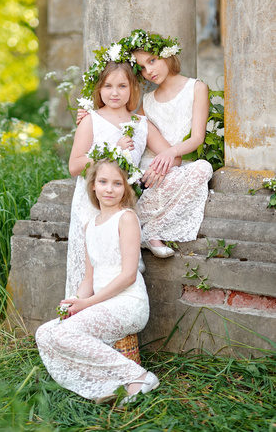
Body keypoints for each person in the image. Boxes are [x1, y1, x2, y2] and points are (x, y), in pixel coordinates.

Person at [77, 29, 213, 255]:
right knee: (142, 177)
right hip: (145, 165)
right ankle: (139, 229)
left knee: (202, 168)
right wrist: (89, 115)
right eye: (141, 67)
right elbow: (129, 126)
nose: (148, 71)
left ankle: (146, 229)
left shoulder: (196, 88)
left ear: (167, 55)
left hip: (173, 159)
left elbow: (198, 138)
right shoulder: (147, 100)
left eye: (152, 61)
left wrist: (170, 155)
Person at [35, 158, 159, 404]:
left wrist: (88, 303)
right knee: (44, 333)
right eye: (103, 182)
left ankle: (139, 377)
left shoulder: (126, 218)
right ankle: (108, 384)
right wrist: (76, 301)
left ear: (126, 187)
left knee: (64, 335)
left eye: (117, 183)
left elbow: (128, 275)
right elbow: (89, 277)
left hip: (127, 303)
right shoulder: (90, 225)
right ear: (93, 186)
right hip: (101, 303)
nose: (109, 189)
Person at [66, 58, 181, 298]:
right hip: (93, 203)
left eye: (122, 86)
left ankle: (117, 318)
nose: (114, 93)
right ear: (99, 89)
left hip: (122, 202)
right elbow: (75, 165)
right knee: (91, 268)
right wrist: (112, 149)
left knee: (119, 265)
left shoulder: (141, 125)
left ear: (132, 89)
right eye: (108, 86)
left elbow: (173, 156)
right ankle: (79, 311)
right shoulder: (90, 120)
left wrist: (154, 167)